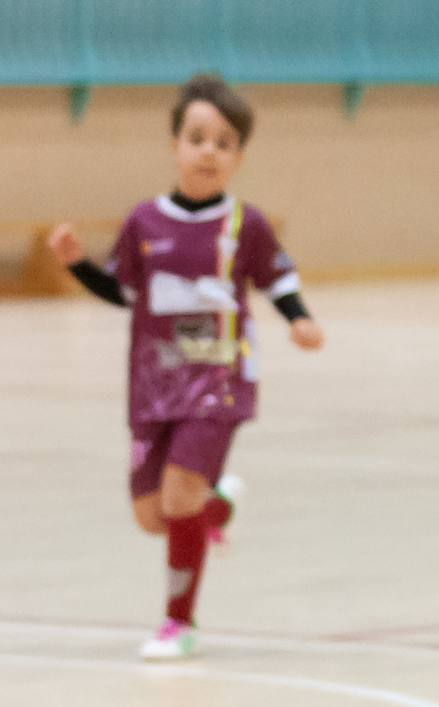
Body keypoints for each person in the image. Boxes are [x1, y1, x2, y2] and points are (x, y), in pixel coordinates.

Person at [48, 73, 324, 660]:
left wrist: (298, 318)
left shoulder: (244, 226)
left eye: (224, 143)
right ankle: (218, 504)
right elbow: (122, 292)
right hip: (153, 386)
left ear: (238, 158)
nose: (209, 151)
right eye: (197, 137)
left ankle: (180, 623)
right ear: (174, 144)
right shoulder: (143, 222)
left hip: (218, 381)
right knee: (155, 517)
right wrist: (75, 265)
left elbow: (278, 277)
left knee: (177, 501)